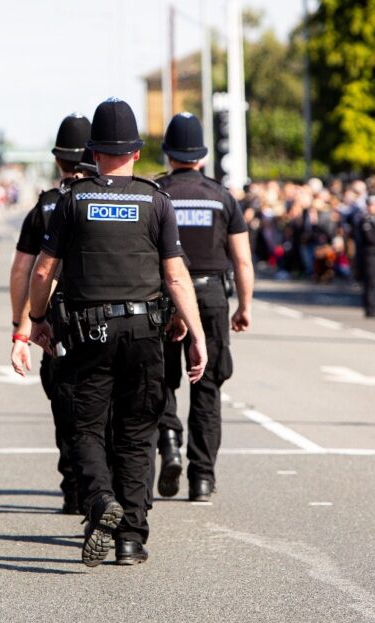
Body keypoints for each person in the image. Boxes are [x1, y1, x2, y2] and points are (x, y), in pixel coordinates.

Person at [28, 98, 207, 567]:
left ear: (94, 150)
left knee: (84, 428)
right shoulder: (156, 200)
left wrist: (37, 318)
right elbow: (175, 276)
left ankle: (101, 500)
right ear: (135, 150)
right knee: (135, 434)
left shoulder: (72, 200)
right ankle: (130, 538)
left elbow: (45, 269)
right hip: (144, 334)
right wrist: (196, 334)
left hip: (87, 335)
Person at [154, 112, 254, 503]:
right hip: (211, 296)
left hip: (164, 297)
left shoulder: (156, 193)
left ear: (168, 153)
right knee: (207, 386)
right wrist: (243, 305)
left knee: (161, 380)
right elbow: (242, 261)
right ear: (202, 154)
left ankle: (169, 441)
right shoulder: (221, 196)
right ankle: (202, 478)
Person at [10, 113, 90, 514]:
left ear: (58, 159)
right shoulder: (115, 199)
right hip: (105, 321)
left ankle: (73, 486)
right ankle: (104, 488)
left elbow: (25, 270)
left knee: (64, 406)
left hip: (57, 324)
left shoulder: (45, 207)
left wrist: (21, 325)